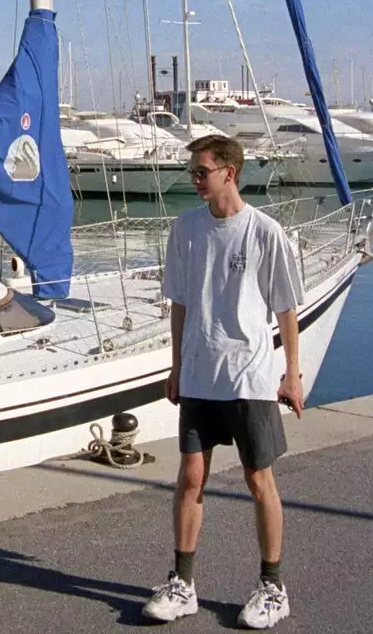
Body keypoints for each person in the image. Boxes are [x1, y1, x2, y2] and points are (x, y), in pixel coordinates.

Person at [142, 134, 304, 628]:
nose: (194, 179)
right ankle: (183, 583)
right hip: (199, 374)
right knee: (190, 477)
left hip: (249, 376)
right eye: (192, 172)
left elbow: (285, 308)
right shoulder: (185, 230)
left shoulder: (264, 232)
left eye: (201, 172)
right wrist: (175, 367)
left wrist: (291, 373)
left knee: (259, 480)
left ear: (228, 172)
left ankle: (273, 587)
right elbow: (181, 303)